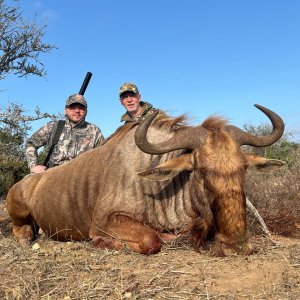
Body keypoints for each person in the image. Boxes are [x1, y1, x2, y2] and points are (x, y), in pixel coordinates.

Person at [25, 94, 105, 174]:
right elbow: (30, 143)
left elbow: (104, 156)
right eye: (72, 107)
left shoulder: (94, 131)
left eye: (81, 107)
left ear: (86, 111)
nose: (77, 110)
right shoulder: (53, 126)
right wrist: (33, 166)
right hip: (53, 177)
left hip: (82, 179)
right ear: (65, 110)